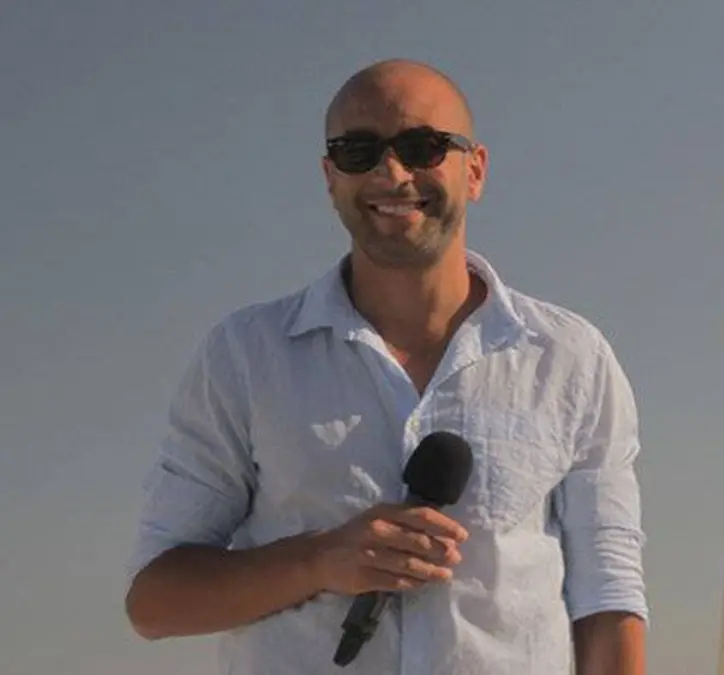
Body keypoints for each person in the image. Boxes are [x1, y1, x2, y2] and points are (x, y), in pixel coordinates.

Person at [124, 59, 648, 675]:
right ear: (330, 177)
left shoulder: (569, 358)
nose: (391, 173)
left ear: (475, 169)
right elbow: (155, 602)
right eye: (359, 151)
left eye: (423, 147)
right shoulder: (244, 356)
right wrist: (319, 560)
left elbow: (609, 598)